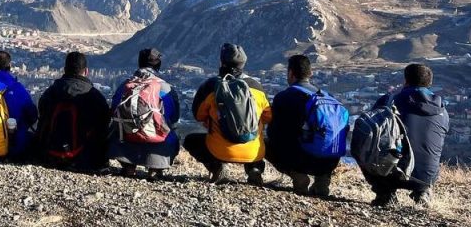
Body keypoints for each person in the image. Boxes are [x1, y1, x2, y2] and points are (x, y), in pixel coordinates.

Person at [364, 64, 450, 207]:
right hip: (427, 176)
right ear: (430, 83)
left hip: (393, 173)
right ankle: (423, 192)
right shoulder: (442, 111)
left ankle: (385, 194)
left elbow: (370, 130)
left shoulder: (389, 101)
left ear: (406, 80)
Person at [186, 43, 272, 185]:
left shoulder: (211, 86)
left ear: (221, 62)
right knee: (259, 136)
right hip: (253, 152)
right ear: (243, 64)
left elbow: (198, 115)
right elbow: (268, 117)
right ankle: (254, 169)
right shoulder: (257, 87)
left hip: (219, 150)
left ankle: (217, 167)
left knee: (190, 140)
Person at [265, 55, 342, 196]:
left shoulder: (284, 97)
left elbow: (274, 133)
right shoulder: (328, 97)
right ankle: (322, 181)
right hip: (330, 161)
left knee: (265, 142)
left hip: (301, 161)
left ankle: (298, 176)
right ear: (310, 73)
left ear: (290, 73)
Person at [108, 48, 181, 179]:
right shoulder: (165, 88)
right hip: (157, 143)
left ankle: (128, 165)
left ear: (139, 63)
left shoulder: (125, 85)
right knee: (174, 131)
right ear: (158, 65)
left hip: (125, 140)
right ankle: (155, 167)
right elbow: (174, 116)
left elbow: (113, 109)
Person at [35, 51, 110, 172]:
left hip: (49, 154)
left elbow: (42, 114)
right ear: (86, 71)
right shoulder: (94, 96)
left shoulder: (51, 92)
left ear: (65, 69)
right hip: (85, 158)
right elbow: (105, 122)